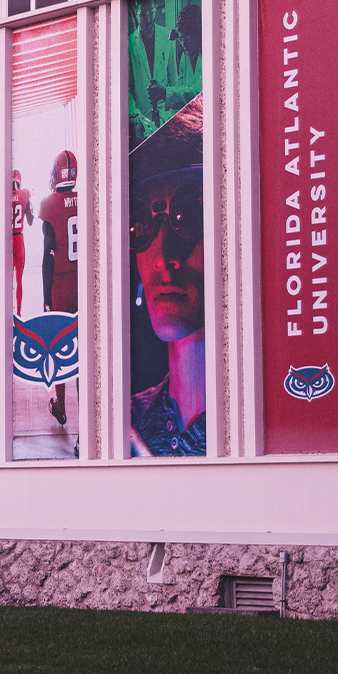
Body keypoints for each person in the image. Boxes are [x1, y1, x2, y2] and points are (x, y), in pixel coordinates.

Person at [129, 166, 207, 456]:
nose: (161, 257)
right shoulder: (125, 421)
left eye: (188, 216)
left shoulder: (269, 416)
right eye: (141, 225)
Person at [35, 150, 79, 424]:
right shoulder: (83, 199)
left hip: (61, 283)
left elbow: (47, 256)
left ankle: (61, 405)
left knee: (61, 348)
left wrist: (46, 296)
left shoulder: (49, 204)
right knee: (82, 349)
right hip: (81, 280)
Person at [10, 170, 34, 315]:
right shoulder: (24, 194)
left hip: (8, 238)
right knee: (19, 279)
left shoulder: (4, 195)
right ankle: (18, 311)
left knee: (7, 276)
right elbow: (30, 221)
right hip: (19, 239)